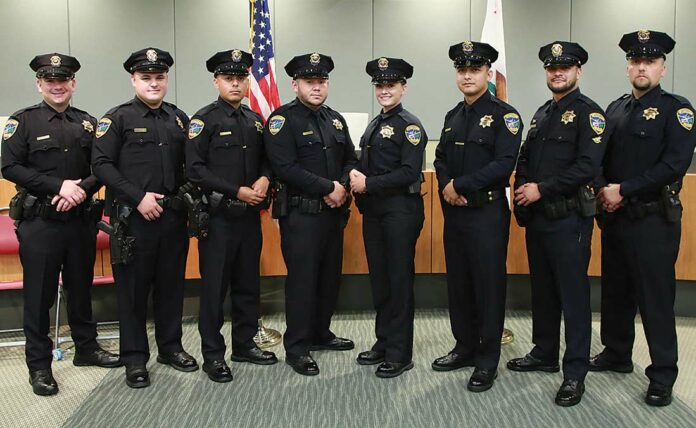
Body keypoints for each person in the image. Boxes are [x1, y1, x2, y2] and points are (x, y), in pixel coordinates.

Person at [1, 53, 121, 396]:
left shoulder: (88, 123)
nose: (58, 86)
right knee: (39, 297)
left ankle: (86, 349)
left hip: (80, 221)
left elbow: (102, 165)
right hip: (41, 223)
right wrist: (58, 187)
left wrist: (79, 191)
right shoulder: (22, 122)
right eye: (50, 81)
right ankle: (39, 366)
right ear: (40, 84)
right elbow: (9, 168)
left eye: (63, 80)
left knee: (81, 289)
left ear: (73, 83)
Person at [591, 30, 696, 407]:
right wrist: (605, 190)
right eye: (635, 61)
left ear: (662, 68)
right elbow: (598, 157)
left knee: (655, 298)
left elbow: (673, 166)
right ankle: (616, 353)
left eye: (649, 61)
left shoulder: (677, 110)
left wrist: (624, 190)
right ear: (627, 67)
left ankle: (663, 374)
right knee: (615, 291)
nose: (641, 67)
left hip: (653, 220)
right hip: (616, 217)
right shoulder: (615, 109)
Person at [507, 41, 606, 407]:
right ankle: (544, 352)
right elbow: (526, 158)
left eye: (564, 67)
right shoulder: (542, 114)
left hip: (569, 220)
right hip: (539, 220)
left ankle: (575, 372)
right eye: (551, 68)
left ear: (578, 71)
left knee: (573, 297)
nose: (557, 73)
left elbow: (587, 167)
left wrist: (540, 190)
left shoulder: (589, 114)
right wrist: (522, 200)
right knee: (544, 291)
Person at [92, 47, 197, 388]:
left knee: (171, 287)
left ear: (166, 79)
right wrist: (138, 198)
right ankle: (135, 359)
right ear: (133, 79)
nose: (154, 83)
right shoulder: (117, 118)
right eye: (146, 78)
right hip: (133, 221)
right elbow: (101, 165)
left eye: (159, 77)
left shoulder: (178, 118)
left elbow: (190, 166)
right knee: (133, 293)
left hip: (171, 217)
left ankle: (170, 347)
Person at [432, 41, 522, 392]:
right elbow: (439, 157)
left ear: (488, 73)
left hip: (486, 213)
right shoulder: (454, 115)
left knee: (488, 285)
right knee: (460, 283)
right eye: (462, 70)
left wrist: (461, 185)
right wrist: (445, 186)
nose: (467, 75)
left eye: (474, 69)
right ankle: (464, 346)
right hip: (455, 213)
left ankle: (487, 360)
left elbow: (503, 165)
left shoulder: (505, 115)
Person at [186, 49, 278, 383]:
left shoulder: (255, 120)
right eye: (229, 78)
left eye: (241, 78)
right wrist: (235, 190)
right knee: (214, 289)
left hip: (249, 217)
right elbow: (194, 170)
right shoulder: (203, 120)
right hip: (219, 217)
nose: (236, 83)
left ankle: (244, 345)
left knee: (247, 285)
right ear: (217, 81)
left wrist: (266, 178)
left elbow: (268, 159)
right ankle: (213, 355)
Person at [264, 52, 358, 376]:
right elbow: (284, 168)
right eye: (310, 81)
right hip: (301, 215)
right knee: (302, 281)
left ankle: (321, 333)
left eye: (322, 81)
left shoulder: (334, 119)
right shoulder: (282, 121)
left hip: (333, 214)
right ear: (295, 84)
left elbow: (351, 158)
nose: (316, 87)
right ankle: (298, 347)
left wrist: (343, 186)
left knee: (328, 279)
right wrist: (328, 187)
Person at [350, 57, 426, 378]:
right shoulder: (376, 124)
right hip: (376, 213)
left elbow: (409, 171)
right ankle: (383, 342)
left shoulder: (409, 125)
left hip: (400, 212)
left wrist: (367, 183)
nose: (384, 90)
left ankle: (399, 352)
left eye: (390, 85)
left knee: (398, 282)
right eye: (380, 85)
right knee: (380, 281)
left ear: (403, 88)